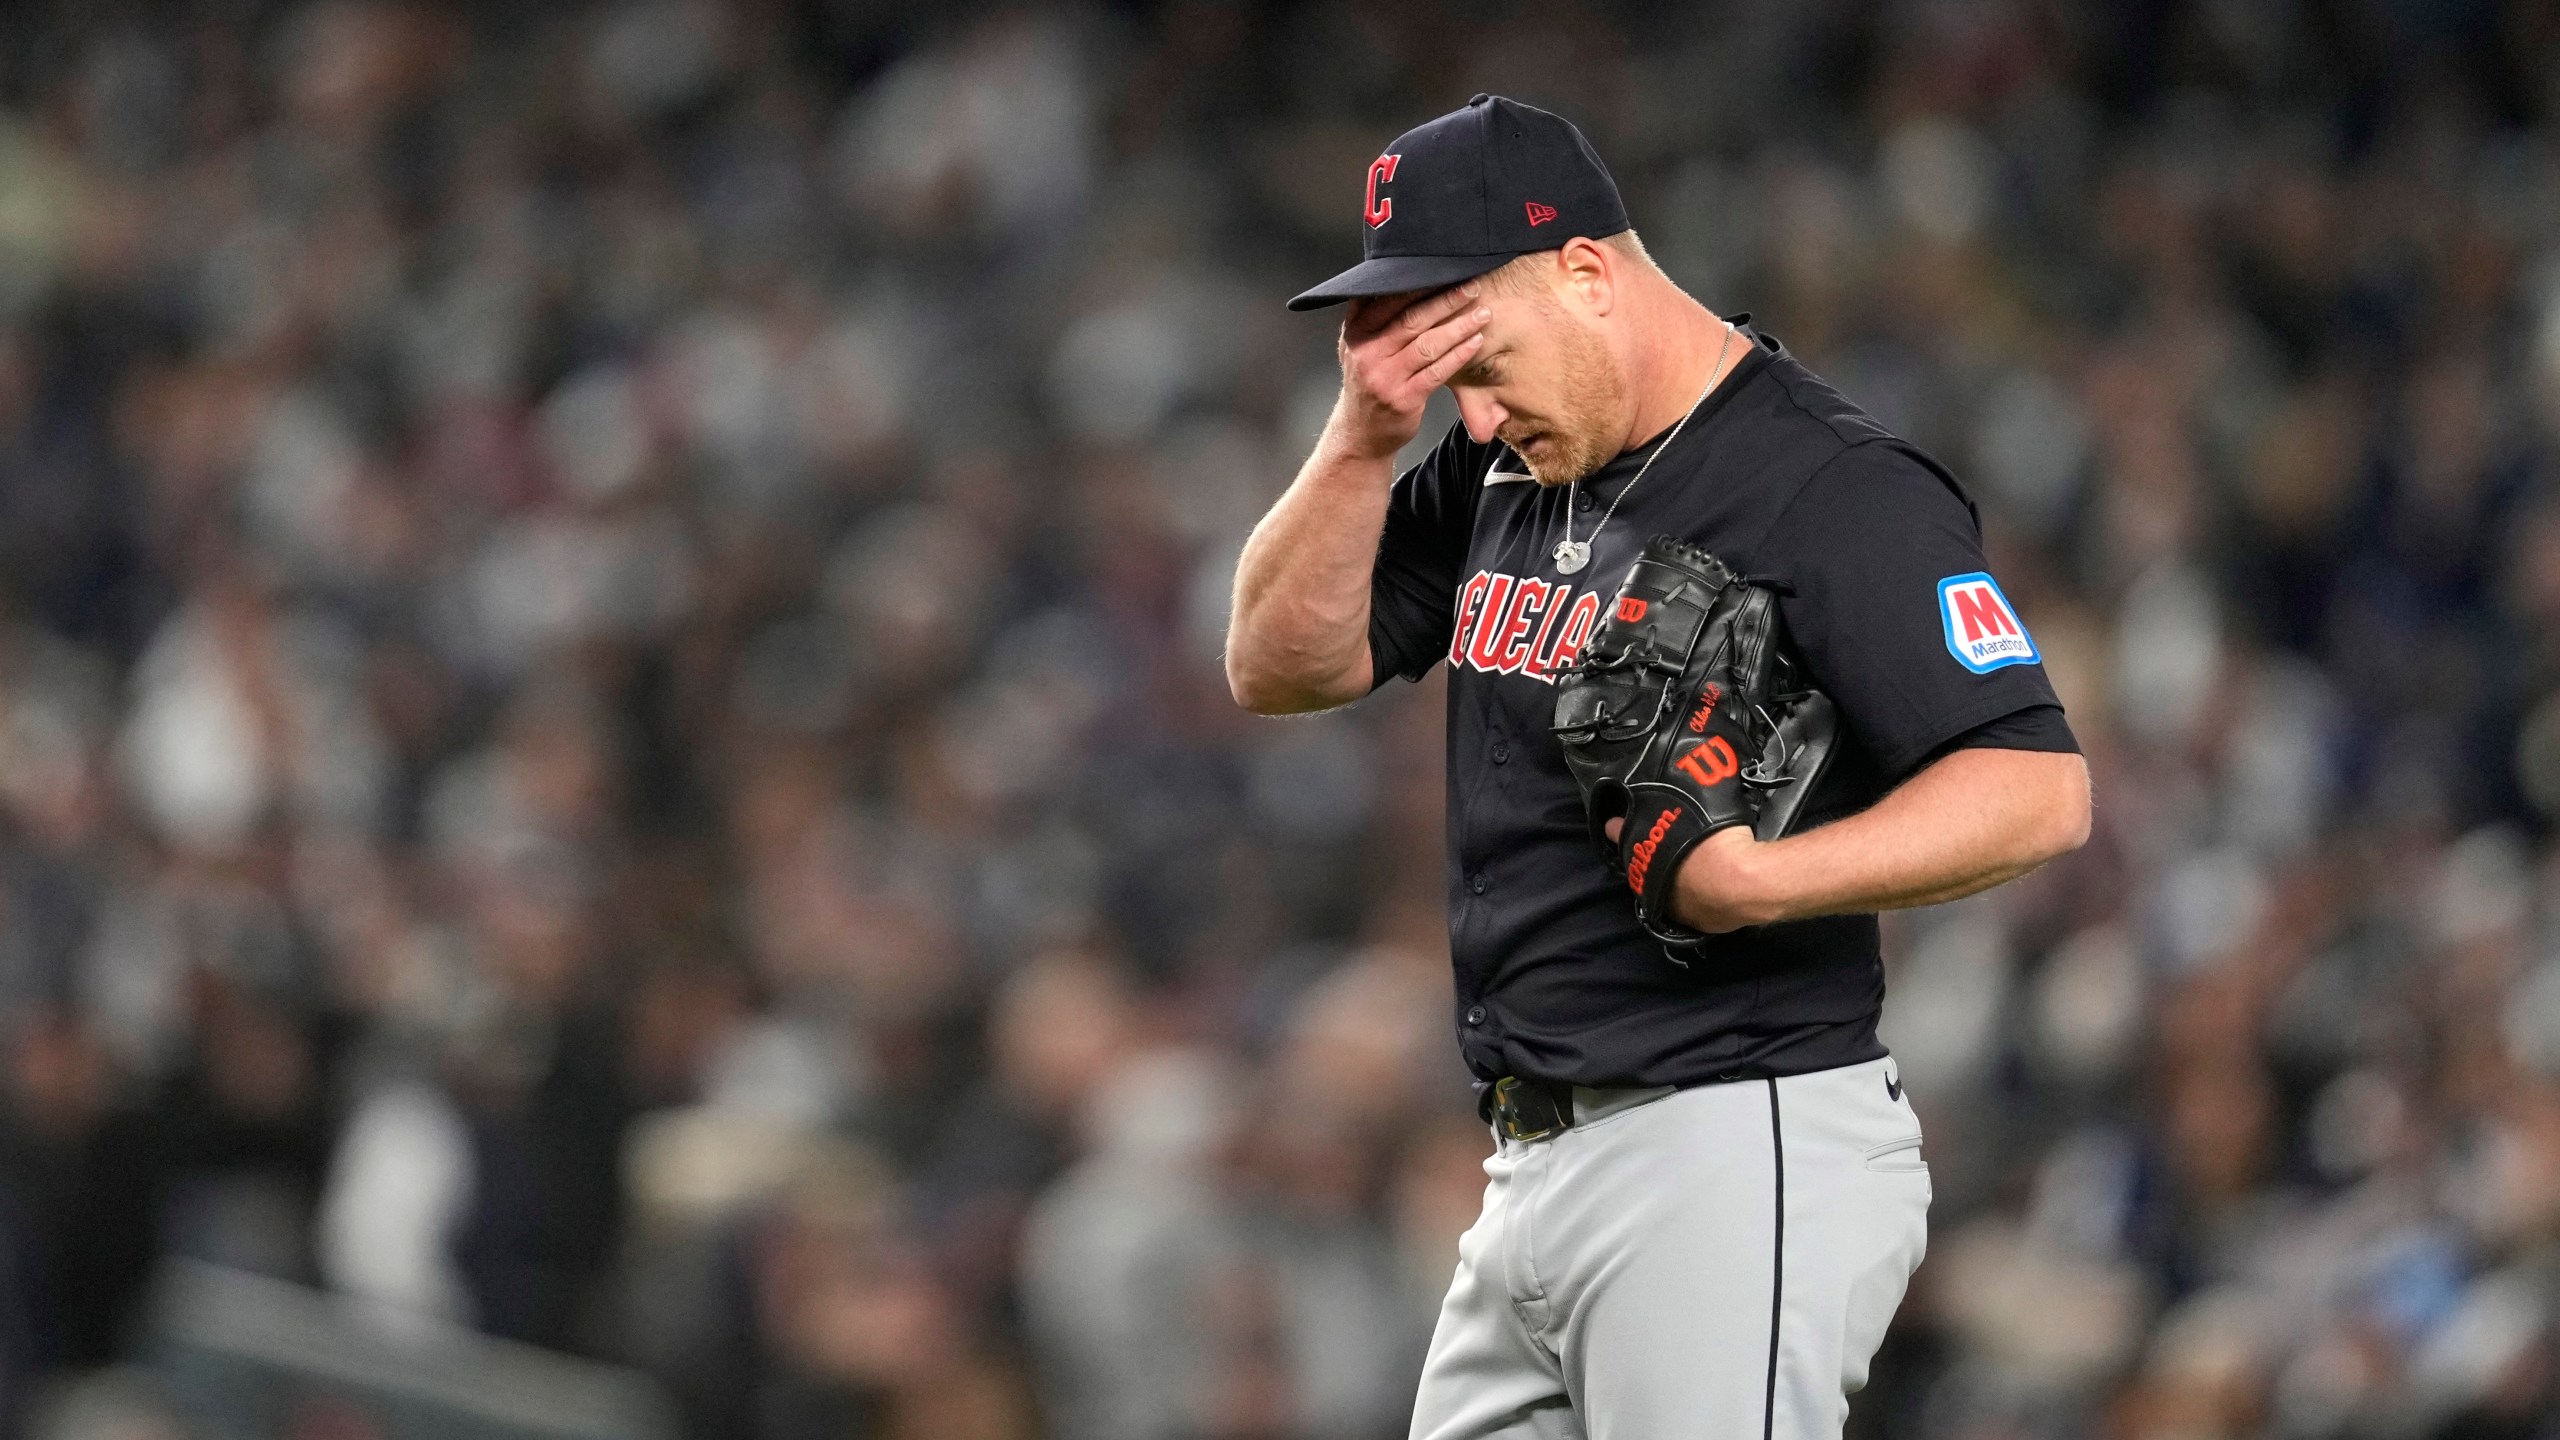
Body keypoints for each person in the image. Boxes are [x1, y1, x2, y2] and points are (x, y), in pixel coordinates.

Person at [1225, 94, 2092, 1440]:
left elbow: (2038, 787)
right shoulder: (1501, 465)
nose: (1474, 400)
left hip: (1729, 1141)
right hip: (1530, 1162)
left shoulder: (1830, 485)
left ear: (1584, 274)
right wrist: (1362, 436)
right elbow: (1279, 665)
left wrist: (1760, 881)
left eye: (1481, 351)